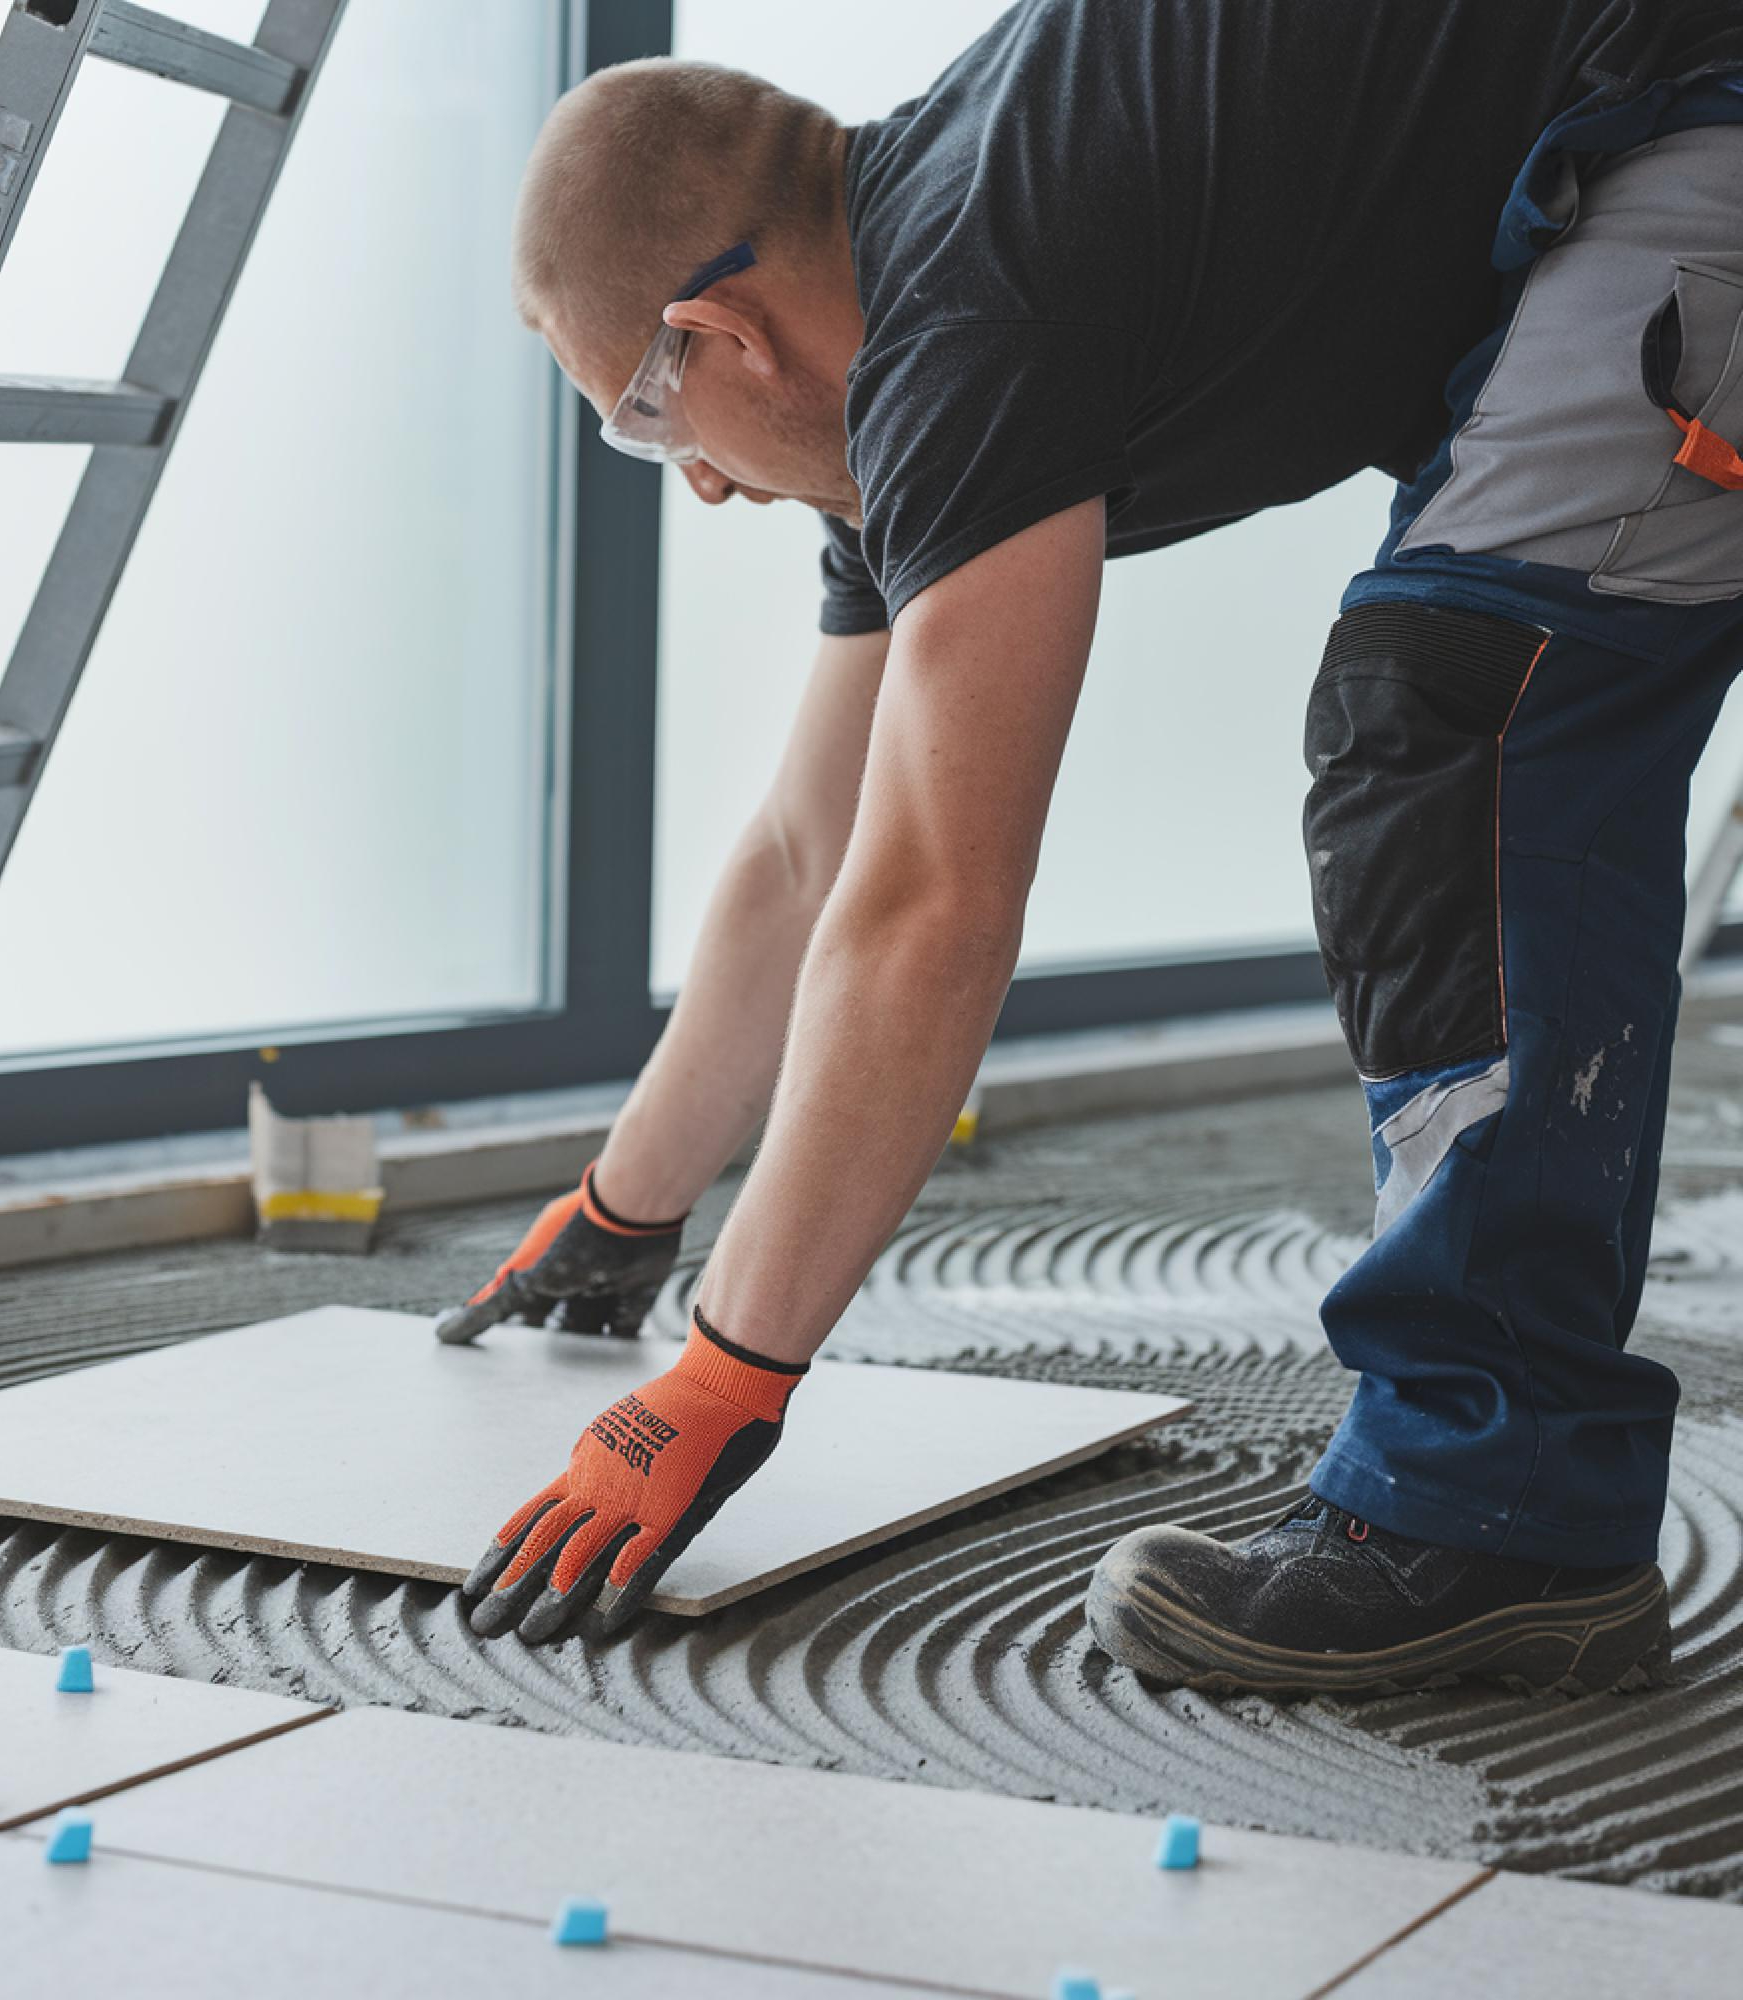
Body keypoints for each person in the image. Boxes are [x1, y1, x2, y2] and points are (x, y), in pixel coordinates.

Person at [437, 0, 1743, 1693]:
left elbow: (933, 903)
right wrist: (625, 1210)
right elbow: (808, 852)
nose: (694, 486)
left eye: (642, 420)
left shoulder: (967, 322)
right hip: (1609, 164)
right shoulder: (935, 296)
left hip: (1682, 111)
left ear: (722, 338)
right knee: (1455, 690)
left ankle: (1495, 1508)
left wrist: (728, 1372)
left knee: (1451, 711)